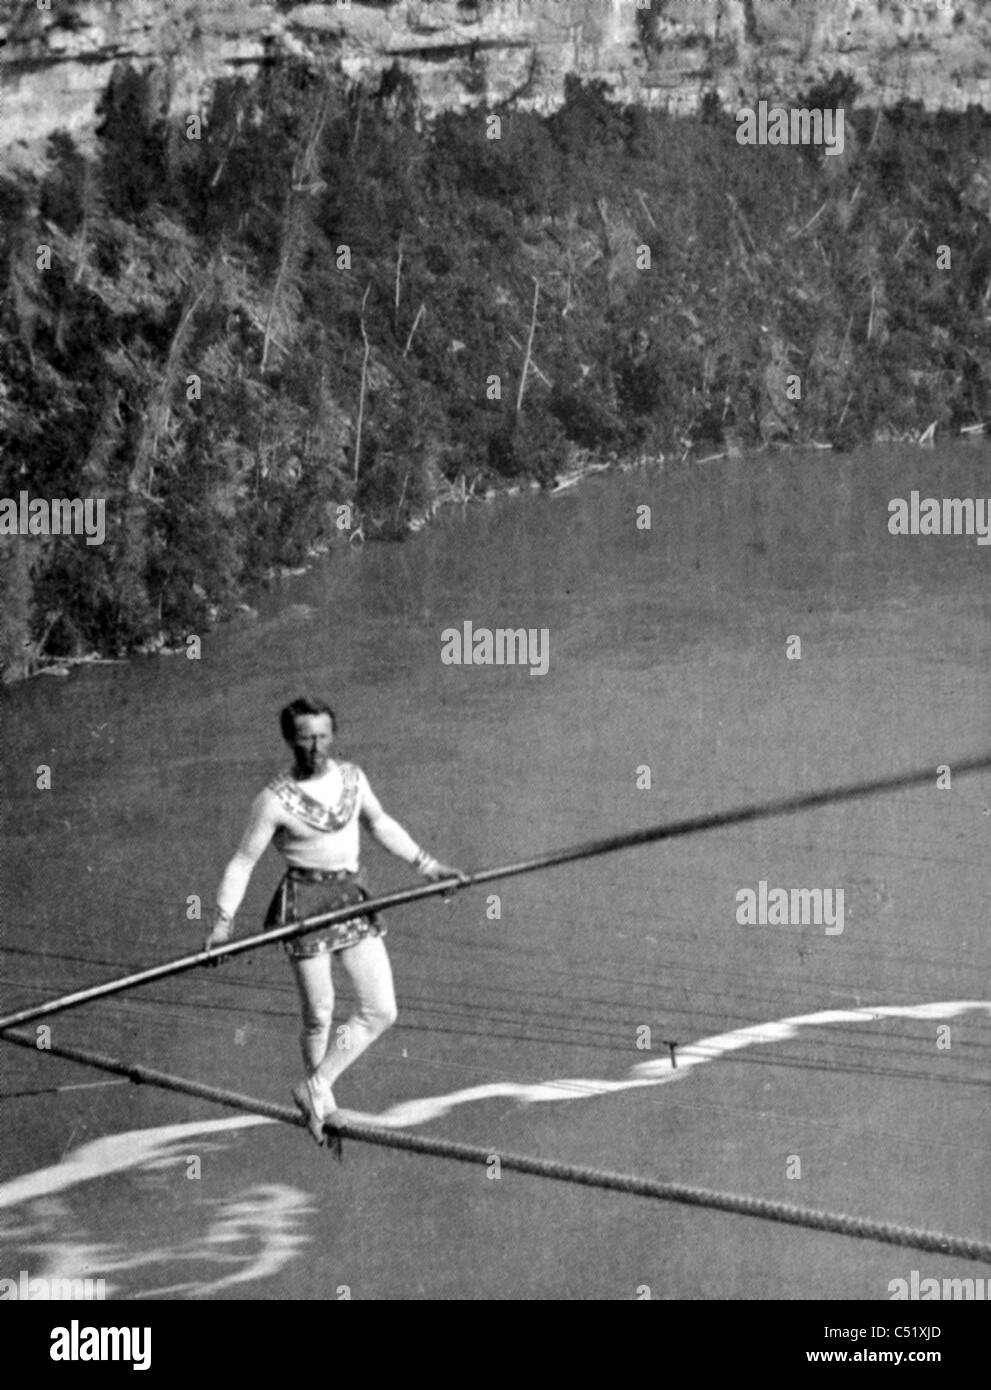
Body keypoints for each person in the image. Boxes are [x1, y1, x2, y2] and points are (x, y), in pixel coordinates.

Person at [206, 697, 465, 1145]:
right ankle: (321, 1104)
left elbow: (380, 824)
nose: (316, 746)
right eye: (306, 738)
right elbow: (243, 862)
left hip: (350, 897)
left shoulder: (352, 778)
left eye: (324, 736)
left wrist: (429, 865)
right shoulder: (273, 800)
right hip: (304, 906)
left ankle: (315, 1085)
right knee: (319, 1014)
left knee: (381, 1009)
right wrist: (222, 925)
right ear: (290, 740)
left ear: (333, 735)